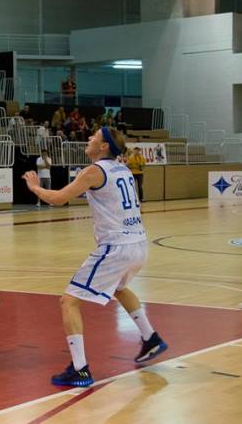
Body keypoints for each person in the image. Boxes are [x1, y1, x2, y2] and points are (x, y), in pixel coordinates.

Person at [22, 127, 168, 387]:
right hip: (138, 243)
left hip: (117, 247)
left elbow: (58, 199)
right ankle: (151, 337)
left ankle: (79, 369)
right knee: (120, 288)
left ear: (103, 147)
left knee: (68, 302)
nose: (88, 139)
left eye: (94, 137)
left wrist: (34, 187)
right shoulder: (123, 169)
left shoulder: (93, 171)